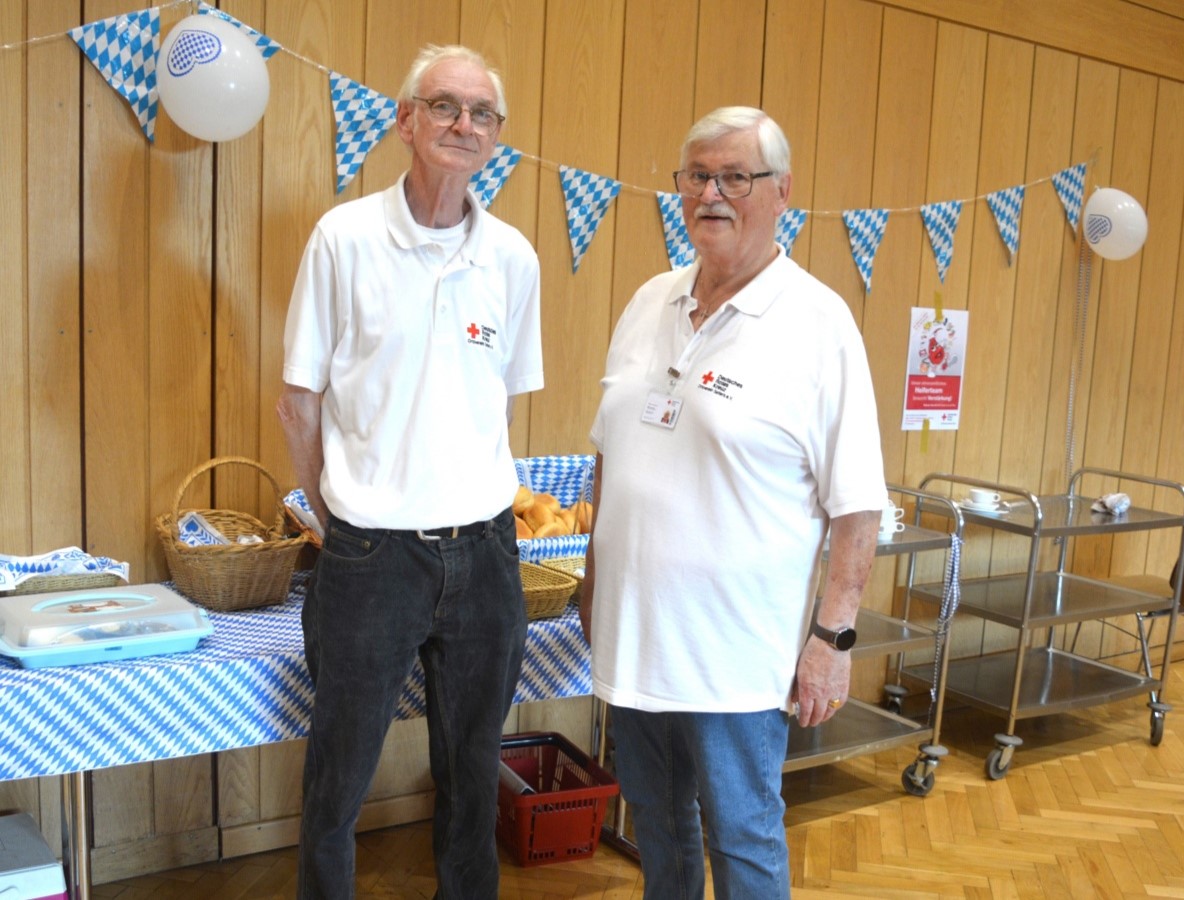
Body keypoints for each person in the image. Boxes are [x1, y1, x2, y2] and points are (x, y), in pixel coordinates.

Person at [579, 106, 885, 900]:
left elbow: (857, 507)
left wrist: (832, 640)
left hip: (740, 657)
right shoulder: (650, 300)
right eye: (697, 175)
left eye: (735, 177)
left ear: (782, 192)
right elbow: (610, 454)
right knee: (654, 820)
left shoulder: (820, 324)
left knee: (742, 833)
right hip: (637, 638)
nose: (712, 193)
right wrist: (592, 574)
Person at [277, 44, 542, 900]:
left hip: (487, 554)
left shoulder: (512, 257)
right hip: (370, 556)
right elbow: (298, 402)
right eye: (444, 106)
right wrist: (340, 514)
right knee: (338, 774)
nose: (464, 125)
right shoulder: (344, 237)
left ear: (496, 136)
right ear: (405, 121)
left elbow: (501, 403)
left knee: (473, 774)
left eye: (482, 114)